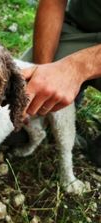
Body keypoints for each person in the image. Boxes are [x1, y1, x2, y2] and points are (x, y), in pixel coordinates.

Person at [9, 0, 101, 166]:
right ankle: (58, 110)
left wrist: (76, 68)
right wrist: (44, 73)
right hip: (79, 28)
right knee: (13, 113)